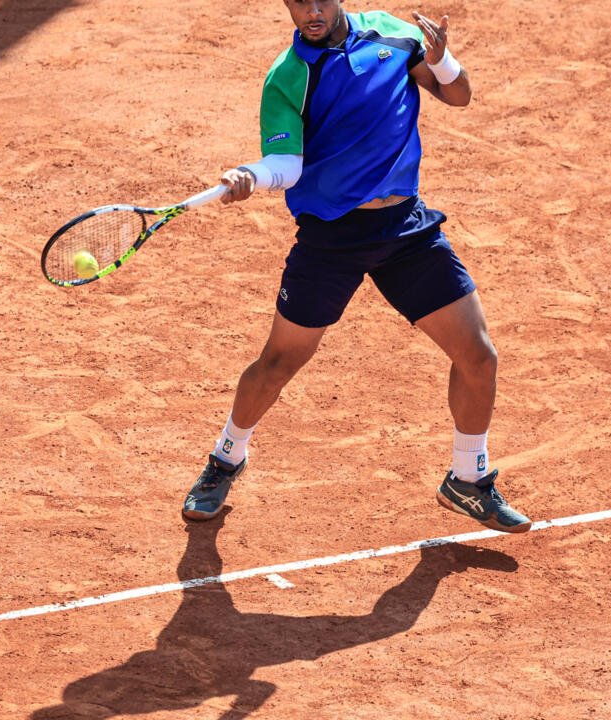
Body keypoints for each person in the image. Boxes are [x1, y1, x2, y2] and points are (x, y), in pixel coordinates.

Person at [182, 0, 531, 534]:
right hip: (331, 239)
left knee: (478, 356)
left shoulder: (393, 35)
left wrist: (441, 60)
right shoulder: (288, 77)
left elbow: (458, 95)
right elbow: (286, 165)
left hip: (404, 229)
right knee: (278, 362)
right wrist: (252, 175)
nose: (311, 12)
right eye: (298, 3)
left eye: (320, 0)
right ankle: (226, 458)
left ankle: (468, 478)